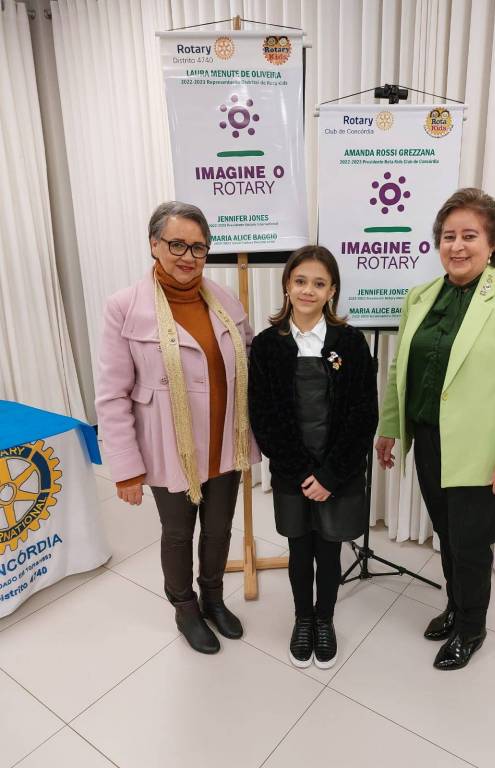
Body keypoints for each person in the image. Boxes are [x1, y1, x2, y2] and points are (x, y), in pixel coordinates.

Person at [376, 188, 495, 670]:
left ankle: (472, 628)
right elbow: (400, 370)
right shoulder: (420, 296)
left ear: (492, 244)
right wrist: (390, 427)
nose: (457, 246)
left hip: (482, 450)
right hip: (429, 440)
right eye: (448, 236)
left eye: (469, 236)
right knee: (447, 535)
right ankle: (455, 607)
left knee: (471, 545)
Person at [96, 201, 259, 655]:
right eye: (177, 245)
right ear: (154, 245)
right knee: (177, 533)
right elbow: (111, 394)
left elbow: (250, 362)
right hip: (171, 449)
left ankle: (213, 598)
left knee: (219, 529)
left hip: (225, 442)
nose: (188, 256)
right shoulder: (124, 307)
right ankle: (185, 608)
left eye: (198, 247)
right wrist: (126, 468)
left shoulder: (225, 300)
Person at [249, 246, 378, 669]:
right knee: (299, 549)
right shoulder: (267, 346)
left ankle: (325, 619)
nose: (308, 290)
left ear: (332, 291)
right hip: (292, 471)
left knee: (329, 549)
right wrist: (304, 473)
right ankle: (303, 618)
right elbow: (265, 417)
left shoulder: (351, 343)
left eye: (319, 283)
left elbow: (363, 415)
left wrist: (329, 475)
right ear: (287, 285)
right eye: (300, 281)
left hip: (337, 471)